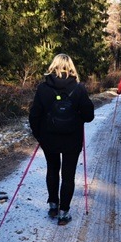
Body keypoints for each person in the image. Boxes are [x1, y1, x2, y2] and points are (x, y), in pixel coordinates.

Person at [29, 54, 95, 225]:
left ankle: (53, 206)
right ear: (71, 67)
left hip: (49, 139)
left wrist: (40, 136)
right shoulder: (79, 89)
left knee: (52, 170)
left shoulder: (43, 88)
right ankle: (64, 212)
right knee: (68, 175)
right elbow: (89, 116)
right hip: (72, 140)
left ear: (53, 66)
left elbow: (34, 115)